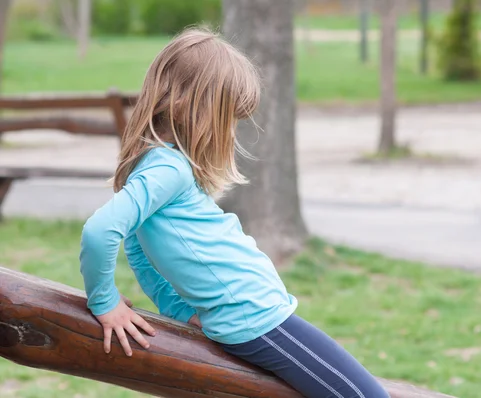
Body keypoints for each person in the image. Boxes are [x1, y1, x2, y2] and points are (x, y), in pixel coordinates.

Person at [79, 28, 389, 398]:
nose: (229, 130)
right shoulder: (168, 170)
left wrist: (179, 311)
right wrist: (104, 301)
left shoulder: (159, 164)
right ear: (193, 107)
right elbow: (101, 230)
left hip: (255, 317)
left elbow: (138, 252)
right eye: (228, 117)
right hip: (257, 319)